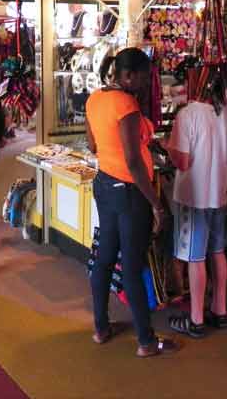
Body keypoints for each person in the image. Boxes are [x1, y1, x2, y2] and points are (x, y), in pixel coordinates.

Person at [85, 48, 177, 358]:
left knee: (106, 257)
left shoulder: (96, 98)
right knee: (133, 265)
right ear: (128, 75)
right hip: (130, 191)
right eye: (143, 77)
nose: (145, 83)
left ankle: (100, 327)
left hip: (105, 184)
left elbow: (93, 144)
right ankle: (146, 341)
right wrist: (156, 204)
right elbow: (134, 162)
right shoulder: (126, 104)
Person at [166, 69, 227, 338]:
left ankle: (196, 319)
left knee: (195, 258)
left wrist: (167, 146)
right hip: (219, 193)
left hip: (193, 196)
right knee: (217, 252)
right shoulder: (226, 114)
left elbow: (183, 161)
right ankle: (219, 311)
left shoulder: (187, 115)